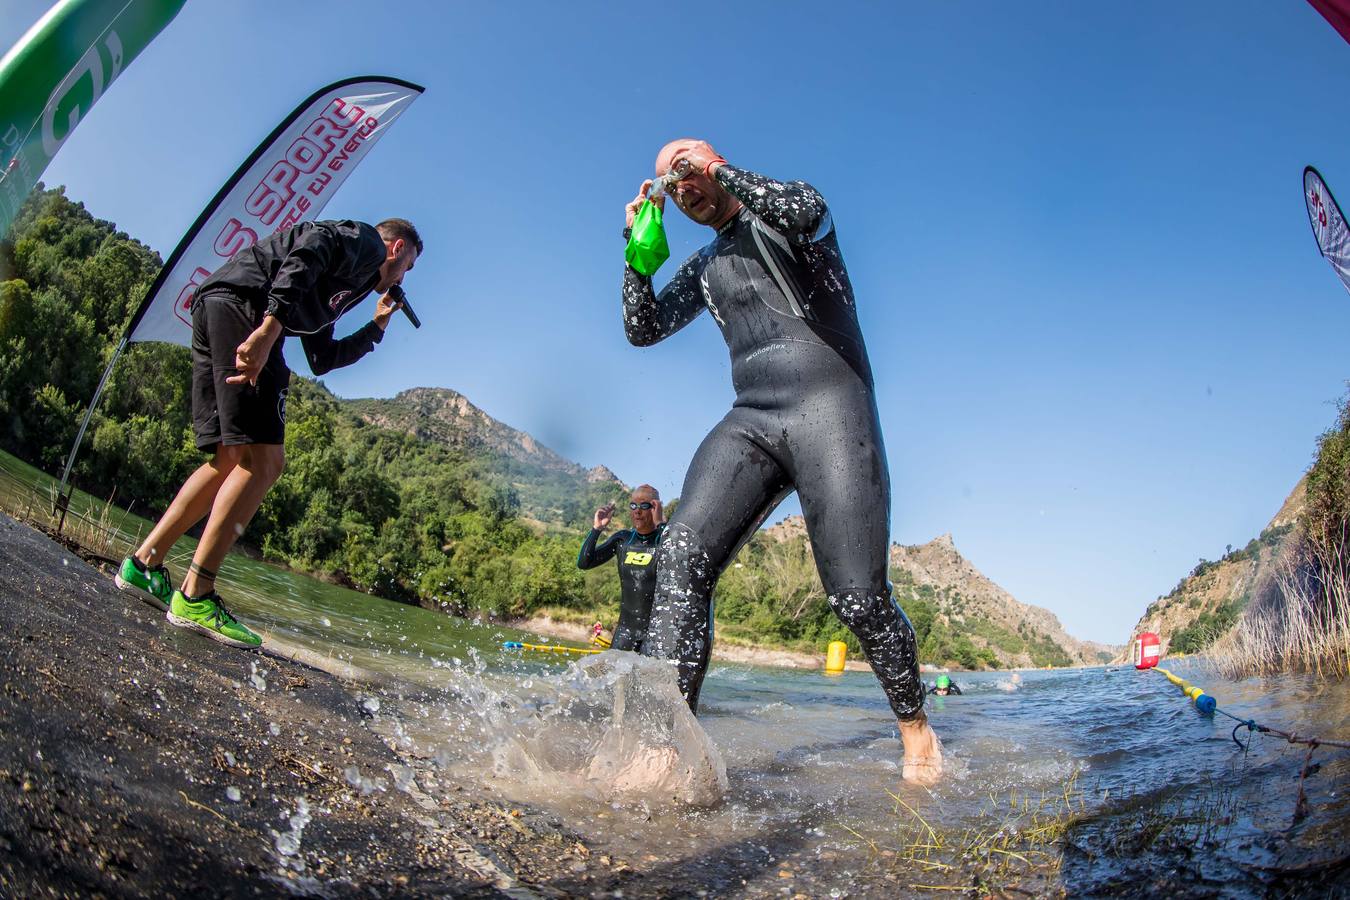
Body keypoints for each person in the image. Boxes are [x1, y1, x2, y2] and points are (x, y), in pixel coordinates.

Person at [620, 140, 942, 782]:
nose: (679, 185)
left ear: (715, 161)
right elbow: (642, 327)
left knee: (856, 598)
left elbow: (807, 208)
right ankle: (662, 749)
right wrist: (635, 254)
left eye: (684, 167)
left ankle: (916, 731)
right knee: (680, 556)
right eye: (667, 183)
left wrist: (713, 172)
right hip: (754, 417)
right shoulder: (707, 267)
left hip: (833, 408)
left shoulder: (785, 219)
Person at [114, 218, 422, 648]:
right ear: (397, 248)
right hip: (248, 310)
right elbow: (311, 245)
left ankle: (144, 565)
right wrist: (269, 328)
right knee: (263, 462)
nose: (404, 277)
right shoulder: (366, 243)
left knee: (227, 458)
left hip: (220, 305)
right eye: (408, 266)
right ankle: (196, 594)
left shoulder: (349, 287)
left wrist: (377, 327)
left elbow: (322, 358)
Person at [576, 485, 666, 652]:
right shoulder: (623, 540)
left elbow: (677, 555)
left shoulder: (665, 540)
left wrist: (661, 523)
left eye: (644, 506)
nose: (637, 511)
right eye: (633, 506)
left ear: (656, 508)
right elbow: (584, 563)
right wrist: (597, 529)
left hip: (656, 636)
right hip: (625, 633)